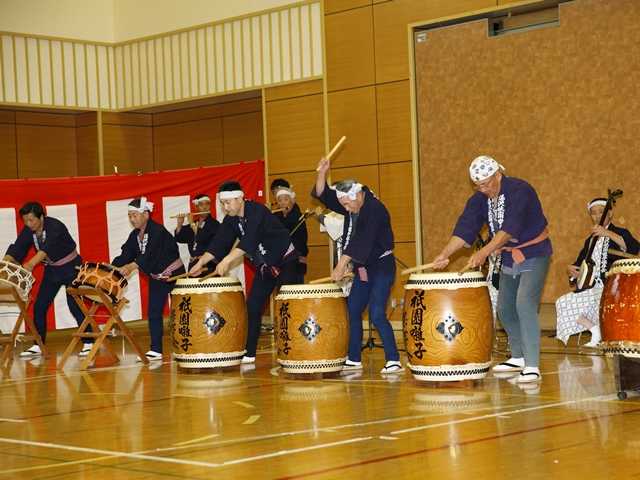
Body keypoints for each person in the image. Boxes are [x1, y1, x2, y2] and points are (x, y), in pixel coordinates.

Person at [431, 155, 552, 383]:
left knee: (524, 303)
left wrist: (483, 252)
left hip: (535, 252)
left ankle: (533, 364)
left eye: (487, 183)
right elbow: (464, 230)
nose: (483, 189)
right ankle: (518, 357)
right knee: (505, 308)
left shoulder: (520, 190)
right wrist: (444, 255)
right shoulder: (479, 199)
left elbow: (508, 230)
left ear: (498, 174)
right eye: (479, 185)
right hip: (508, 256)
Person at [189, 181, 298, 364]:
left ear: (240, 199)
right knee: (253, 307)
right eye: (222, 203)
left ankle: (296, 350)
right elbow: (219, 243)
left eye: (228, 202)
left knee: (289, 307)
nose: (225, 207)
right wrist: (200, 263)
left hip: (286, 261)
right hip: (265, 266)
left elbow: (249, 241)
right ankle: (249, 352)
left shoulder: (257, 212)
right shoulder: (231, 219)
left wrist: (226, 261)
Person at [312, 156, 402, 374]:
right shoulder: (352, 205)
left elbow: (363, 240)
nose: (345, 209)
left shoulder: (374, 209)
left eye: (347, 204)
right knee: (352, 309)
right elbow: (325, 196)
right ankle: (354, 358)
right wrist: (322, 173)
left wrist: (341, 265)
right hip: (363, 268)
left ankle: (393, 359)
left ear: (358, 195)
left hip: (382, 266)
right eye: (343, 204)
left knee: (377, 312)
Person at [4, 202, 93, 358]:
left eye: (32, 220)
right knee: (39, 306)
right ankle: (38, 344)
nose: (28, 224)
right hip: (52, 271)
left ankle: (89, 342)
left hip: (72, 267)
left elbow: (45, 250)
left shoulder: (54, 226)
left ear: (41, 216)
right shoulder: (28, 230)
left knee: (74, 305)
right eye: (25, 221)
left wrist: (31, 264)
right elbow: (17, 249)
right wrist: (4, 264)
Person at [556, 197, 639, 347]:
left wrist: (607, 233)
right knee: (562, 302)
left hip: (613, 287)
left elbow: (633, 249)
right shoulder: (590, 240)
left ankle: (598, 333)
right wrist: (571, 269)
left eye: (601, 212)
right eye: (593, 213)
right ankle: (595, 330)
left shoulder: (620, 232)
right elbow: (580, 263)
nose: (597, 216)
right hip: (592, 287)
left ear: (610, 214)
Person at [111, 197, 185, 361]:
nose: (132, 219)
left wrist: (131, 267)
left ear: (146, 214)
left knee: (181, 311)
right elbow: (126, 254)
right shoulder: (134, 235)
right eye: (130, 215)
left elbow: (148, 256)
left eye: (134, 215)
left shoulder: (157, 231)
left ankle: (186, 346)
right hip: (157, 277)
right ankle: (156, 350)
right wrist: (111, 267)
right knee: (154, 312)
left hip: (175, 273)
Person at [174, 193, 220, 274]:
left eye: (207, 204)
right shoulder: (194, 223)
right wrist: (179, 224)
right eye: (201, 205)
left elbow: (202, 238)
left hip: (208, 264)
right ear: (196, 207)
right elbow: (180, 238)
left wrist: (191, 224)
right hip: (193, 263)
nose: (205, 207)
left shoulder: (215, 224)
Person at [272, 185, 309, 284]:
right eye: (280, 200)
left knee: (294, 288)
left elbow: (302, 239)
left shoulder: (298, 217)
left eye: (286, 199)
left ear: (292, 201)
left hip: (295, 257)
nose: (283, 202)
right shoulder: (275, 217)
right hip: (279, 259)